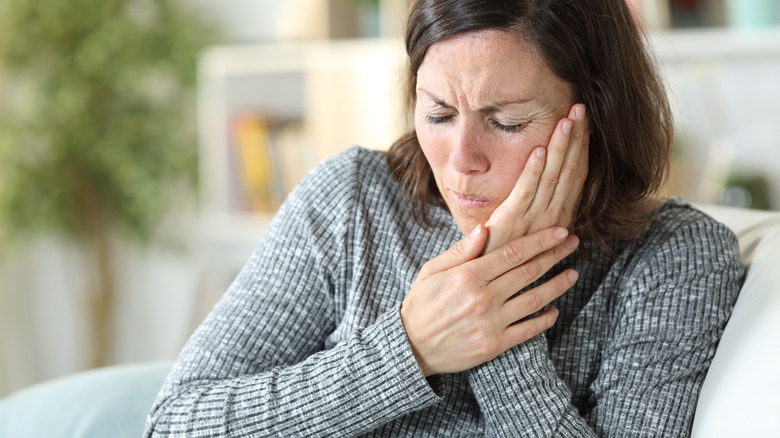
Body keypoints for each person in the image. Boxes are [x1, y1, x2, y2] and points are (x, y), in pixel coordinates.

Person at [145, 0, 743, 436]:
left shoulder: (674, 258)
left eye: (505, 121)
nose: (461, 161)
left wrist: (494, 323)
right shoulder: (351, 201)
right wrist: (409, 349)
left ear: (597, 114)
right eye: (437, 114)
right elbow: (173, 425)